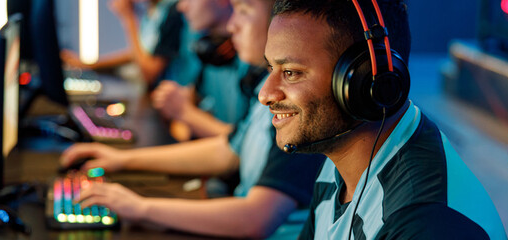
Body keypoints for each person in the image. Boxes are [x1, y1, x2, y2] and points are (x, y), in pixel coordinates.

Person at [62, 0, 326, 238]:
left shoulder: (298, 107)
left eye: (244, 11)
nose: (232, 25)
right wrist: (122, 160)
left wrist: (140, 208)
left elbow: (256, 219)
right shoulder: (260, 87)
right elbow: (227, 151)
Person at [259, 0, 508, 239]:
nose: (265, 94)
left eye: (291, 73)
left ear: (364, 80)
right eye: (271, 68)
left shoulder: (426, 223)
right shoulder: (339, 160)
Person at [151, 0, 250, 139]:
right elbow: (193, 102)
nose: (181, 7)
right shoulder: (208, 48)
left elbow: (247, 143)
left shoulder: (252, 59)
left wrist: (184, 113)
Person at [60, 0, 185, 85]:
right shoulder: (153, 10)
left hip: (169, 102)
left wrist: (128, 18)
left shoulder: (173, 11)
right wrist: (88, 64)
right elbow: (139, 54)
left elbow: (150, 73)